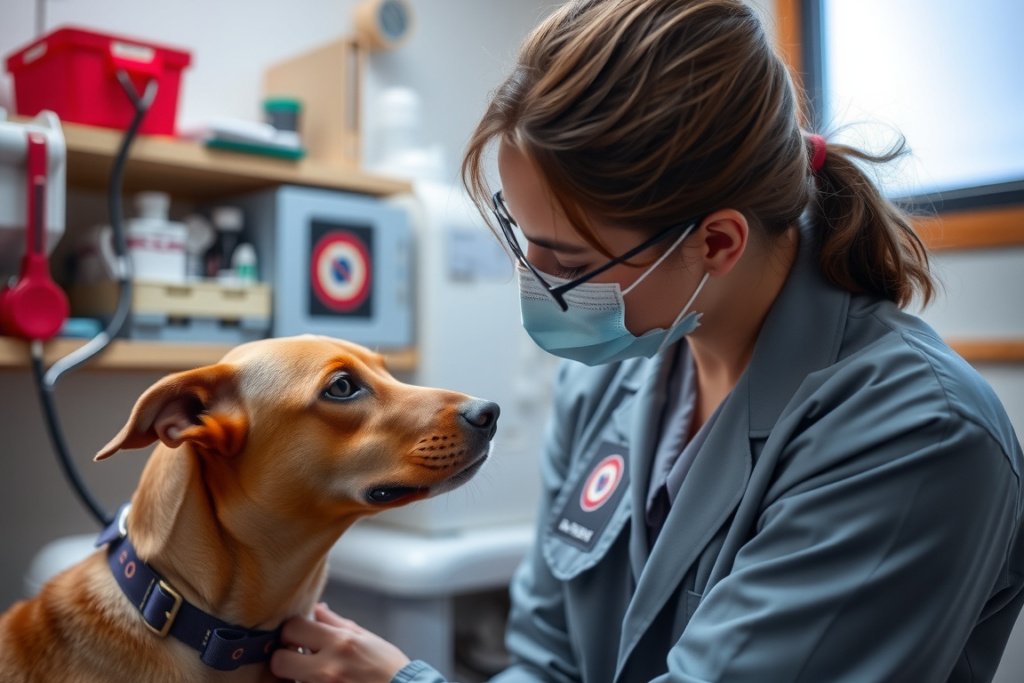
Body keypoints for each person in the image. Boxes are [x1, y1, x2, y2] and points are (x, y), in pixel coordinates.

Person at [271, 0, 1024, 681]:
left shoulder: (917, 436)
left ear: (718, 242)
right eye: (524, 241)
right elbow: (546, 661)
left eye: (568, 260)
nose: (537, 282)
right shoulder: (605, 383)